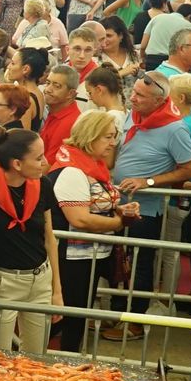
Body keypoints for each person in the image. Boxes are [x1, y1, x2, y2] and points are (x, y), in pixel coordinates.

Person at [105, 71, 191, 340]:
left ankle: (134, 322)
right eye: (133, 92)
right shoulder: (131, 115)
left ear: (159, 100)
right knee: (117, 263)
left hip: (146, 210)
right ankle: (114, 315)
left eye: (140, 96)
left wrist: (149, 181)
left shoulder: (175, 127)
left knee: (140, 265)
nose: (132, 98)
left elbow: (189, 169)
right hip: (118, 203)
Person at [49, 110, 135, 353]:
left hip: (90, 253)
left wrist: (121, 209)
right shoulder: (72, 171)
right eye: (108, 136)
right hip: (74, 257)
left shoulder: (91, 166)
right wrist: (118, 222)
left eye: (114, 136)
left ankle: (68, 358)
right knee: (69, 314)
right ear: (90, 136)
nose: (112, 143)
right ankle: (61, 360)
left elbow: (96, 205)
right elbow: (81, 219)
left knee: (77, 313)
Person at [0, 128, 62, 354]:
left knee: (36, 358)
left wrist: (56, 290)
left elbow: (49, 238)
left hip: (40, 278)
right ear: (17, 164)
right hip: (2, 281)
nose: (45, 162)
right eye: (38, 157)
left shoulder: (43, 185)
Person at [37, 64, 83, 158]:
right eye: (48, 83)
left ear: (70, 93)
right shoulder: (55, 111)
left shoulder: (69, 122)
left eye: (57, 86)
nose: (48, 89)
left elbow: (49, 167)